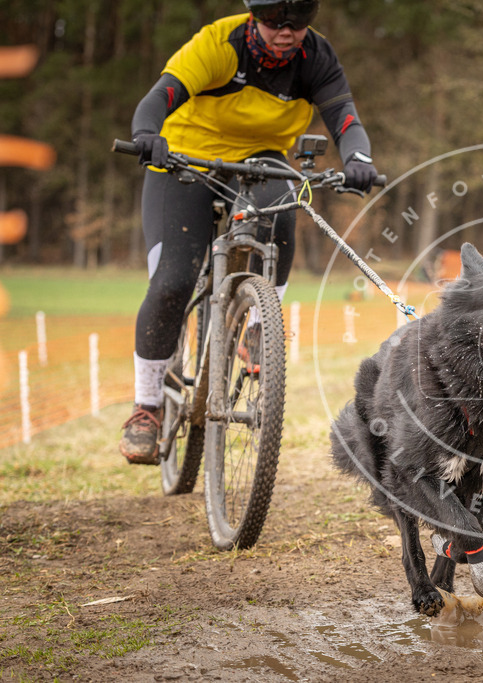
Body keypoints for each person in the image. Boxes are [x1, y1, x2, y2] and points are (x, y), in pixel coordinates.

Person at [119, 0, 377, 464]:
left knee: (285, 204)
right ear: (255, 18)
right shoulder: (220, 44)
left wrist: (358, 159)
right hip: (185, 156)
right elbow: (160, 96)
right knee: (173, 281)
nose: (287, 32)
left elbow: (345, 119)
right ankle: (147, 407)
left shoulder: (316, 56)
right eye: (276, 22)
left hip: (260, 157)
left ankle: (260, 324)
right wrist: (147, 132)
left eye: (298, 23)